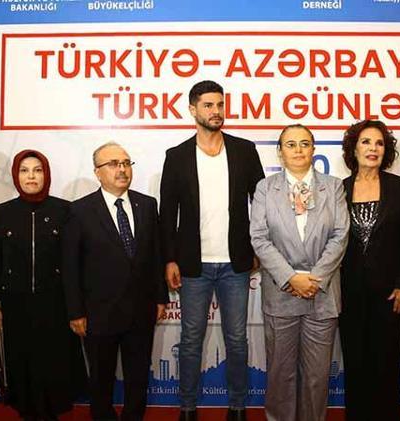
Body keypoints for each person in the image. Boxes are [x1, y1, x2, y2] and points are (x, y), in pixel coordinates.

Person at [159, 80, 264, 421]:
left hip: (236, 264)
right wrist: (169, 258)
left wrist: (257, 246)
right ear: (193, 109)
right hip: (193, 265)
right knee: (190, 340)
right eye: (208, 105)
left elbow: (261, 203)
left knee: (237, 340)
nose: (216, 111)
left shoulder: (244, 150)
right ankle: (187, 408)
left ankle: (237, 407)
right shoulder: (176, 156)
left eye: (220, 104)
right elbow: (167, 213)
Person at [62, 142, 168, 421]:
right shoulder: (79, 211)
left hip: (141, 310)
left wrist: (160, 297)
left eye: (126, 163)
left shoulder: (147, 205)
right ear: (97, 172)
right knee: (100, 380)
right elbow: (70, 266)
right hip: (98, 313)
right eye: (113, 164)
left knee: (138, 378)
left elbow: (156, 255)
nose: (122, 169)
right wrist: (75, 312)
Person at [250, 124, 349, 421]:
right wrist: (291, 277)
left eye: (304, 143)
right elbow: (259, 237)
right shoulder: (265, 188)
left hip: (322, 294)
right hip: (281, 293)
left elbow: (340, 235)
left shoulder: (334, 186)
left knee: (316, 378)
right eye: (290, 144)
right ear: (280, 152)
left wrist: (314, 279)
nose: (298, 150)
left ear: (313, 149)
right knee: (280, 375)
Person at [0, 149, 85, 420]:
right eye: (24, 170)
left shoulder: (65, 210)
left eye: (37, 170)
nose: (31, 176)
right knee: (22, 365)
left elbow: (74, 262)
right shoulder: (1, 213)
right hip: (15, 305)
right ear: (16, 176)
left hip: (55, 304)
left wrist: (77, 306)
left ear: (46, 175)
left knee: (54, 366)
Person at [338, 120, 400, 421]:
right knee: (355, 362)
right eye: (366, 142)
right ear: (354, 149)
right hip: (348, 292)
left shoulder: (399, 187)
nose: (373, 148)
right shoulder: (339, 189)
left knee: (386, 362)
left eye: (379, 143)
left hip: (390, 293)